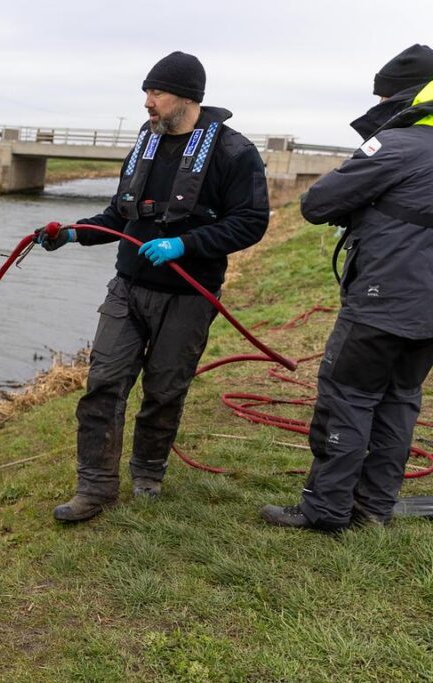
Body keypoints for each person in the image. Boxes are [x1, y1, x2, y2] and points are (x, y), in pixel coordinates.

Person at [35, 51, 270, 522]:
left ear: (186, 97)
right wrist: (76, 233)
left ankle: (147, 472)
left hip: (188, 296)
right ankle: (95, 488)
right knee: (103, 383)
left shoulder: (232, 152)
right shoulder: (146, 141)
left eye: (155, 92)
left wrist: (185, 244)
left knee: (164, 390)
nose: (147, 102)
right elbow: (118, 216)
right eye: (146, 92)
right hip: (127, 289)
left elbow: (251, 222)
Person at [261, 44, 433, 532]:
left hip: (382, 304)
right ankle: (374, 508)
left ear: (399, 97)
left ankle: (326, 510)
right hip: (427, 315)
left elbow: (317, 203)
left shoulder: (396, 146)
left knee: (348, 397)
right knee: (400, 400)